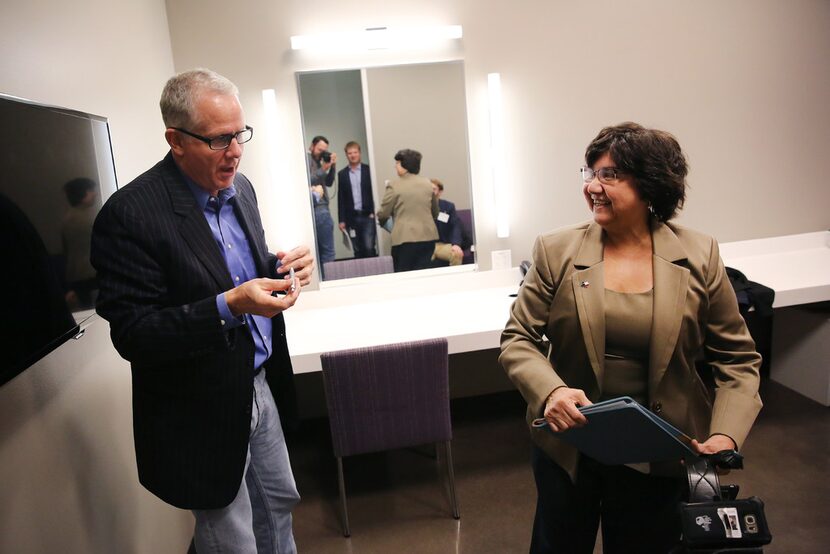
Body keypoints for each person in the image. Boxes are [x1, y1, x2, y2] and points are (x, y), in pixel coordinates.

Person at [500, 122, 762, 553]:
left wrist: (726, 435)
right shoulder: (555, 250)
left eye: (610, 175)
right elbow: (518, 337)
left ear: (649, 184)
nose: (593, 187)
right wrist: (552, 392)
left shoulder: (699, 254)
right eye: (590, 173)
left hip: (661, 453)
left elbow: (737, 359)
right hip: (570, 446)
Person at [90, 68, 315, 554]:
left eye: (240, 134)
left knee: (279, 507)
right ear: (176, 140)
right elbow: (134, 333)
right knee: (231, 537)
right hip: (199, 407)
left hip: (259, 385)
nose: (235, 150)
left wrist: (281, 267)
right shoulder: (130, 216)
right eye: (218, 140)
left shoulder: (242, 189)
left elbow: (231, 267)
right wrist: (229, 305)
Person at [376, 149, 439, 272]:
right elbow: (435, 212)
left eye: (397, 163)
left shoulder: (394, 185)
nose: (395, 166)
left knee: (404, 276)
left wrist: (384, 222)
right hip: (428, 238)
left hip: (404, 240)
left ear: (405, 165)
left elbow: (383, 213)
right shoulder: (428, 184)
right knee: (424, 274)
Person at [61, 177, 99, 310]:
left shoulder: (68, 218)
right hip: (90, 272)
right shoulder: (88, 218)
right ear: (82, 194)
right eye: (90, 190)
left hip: (76, 273)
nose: (95, 193)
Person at [337, 141, 376, 259]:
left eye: (355, 152)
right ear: (346, 155)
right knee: (357, 250)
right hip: (351, 218)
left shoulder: (368, 170)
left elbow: (373, 192)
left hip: (367, 215)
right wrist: (341, 220)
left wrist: (374, 212)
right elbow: (341, 198)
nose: (353, 155)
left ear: (359, 153)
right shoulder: (342, 174)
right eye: (350, 153)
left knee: (369, 248)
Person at [307, 135, 337, 267]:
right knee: (327, 253)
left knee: (324, 252)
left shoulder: (320, 161)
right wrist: (323, 169)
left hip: (322, 207)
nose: (322, 153)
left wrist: (332, 166)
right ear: (312, 146)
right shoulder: (306, 160)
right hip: (318, 208)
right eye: (320, 149)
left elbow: (329, 183)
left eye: (324, 150)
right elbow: (307, 180)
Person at [429, 178, 463, 266]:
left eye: (433, 189)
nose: (430, 192)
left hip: (443, 245)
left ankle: (454, 279)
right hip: (426, 245)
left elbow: (455, 226)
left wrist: (456, 244)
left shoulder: (448, 207)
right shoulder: (420, 207)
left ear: (440, 192)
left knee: (456, 254)